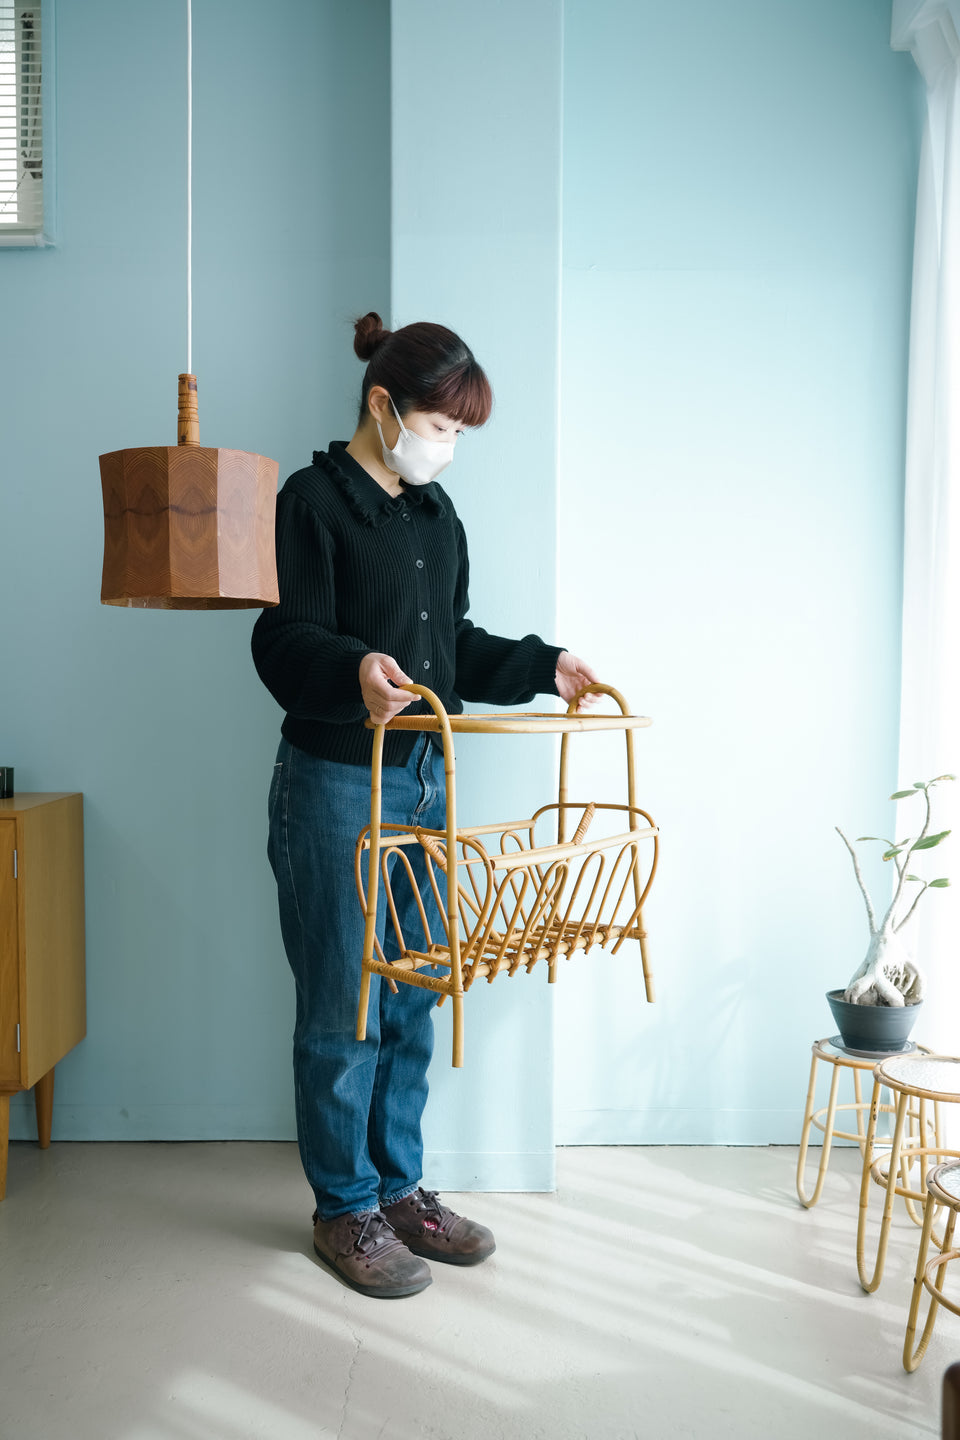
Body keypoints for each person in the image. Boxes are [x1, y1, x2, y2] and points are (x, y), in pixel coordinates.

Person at [251, 312, 598, 1299]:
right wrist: (352, 667)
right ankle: (346, 1208)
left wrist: (545, 665)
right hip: (331, 782)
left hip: (424, 780)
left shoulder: (438, 521)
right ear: (382, 406)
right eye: (441, 426)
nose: (447, 447)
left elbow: (458, 649)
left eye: (458, 433)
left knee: (412, 991)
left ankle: (401, 1189)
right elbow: (279, 644)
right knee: (343, 1002)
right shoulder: (311, 503)